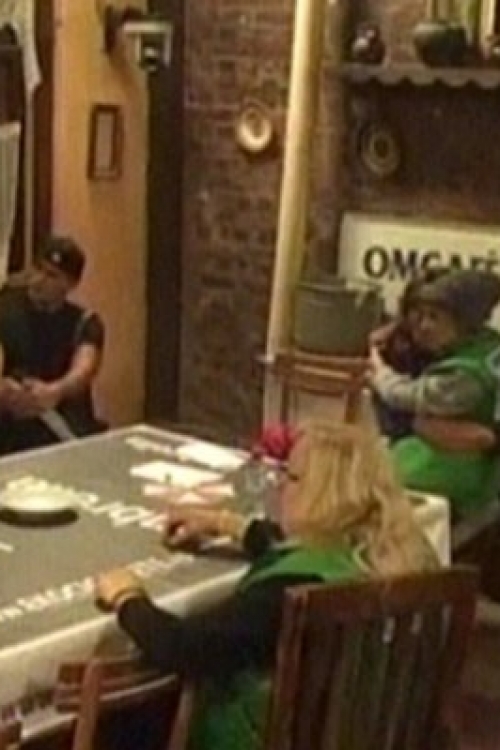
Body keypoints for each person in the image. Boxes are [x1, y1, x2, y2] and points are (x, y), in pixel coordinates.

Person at [95, 420, 435, 750]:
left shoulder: (288, 592)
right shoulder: (391, 554)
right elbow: (293, 546)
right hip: (373, 733)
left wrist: (127, 596)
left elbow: (182, 646)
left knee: (126, 718)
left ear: (326, 496)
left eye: (293, 477)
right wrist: (225, 523)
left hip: (272, 736)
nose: (281, 485)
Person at [370, 269, 500, 518]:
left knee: (370, 479)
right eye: (420, 316)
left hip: (462, 467)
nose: (424, 326)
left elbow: (401, 395)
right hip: (476, 457)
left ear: (465, 321)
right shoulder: (489, 345)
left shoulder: (463, 375)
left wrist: (377, 369)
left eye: (435, 317)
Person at [0, 236, 105, 454]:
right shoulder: (6, 308)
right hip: (10, 432)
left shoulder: (84, 322)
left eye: (51, 275)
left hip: (60, 431)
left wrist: (54, 392)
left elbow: (84, 369)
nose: (39, 280)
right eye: (38, 269)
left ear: (70, 284)